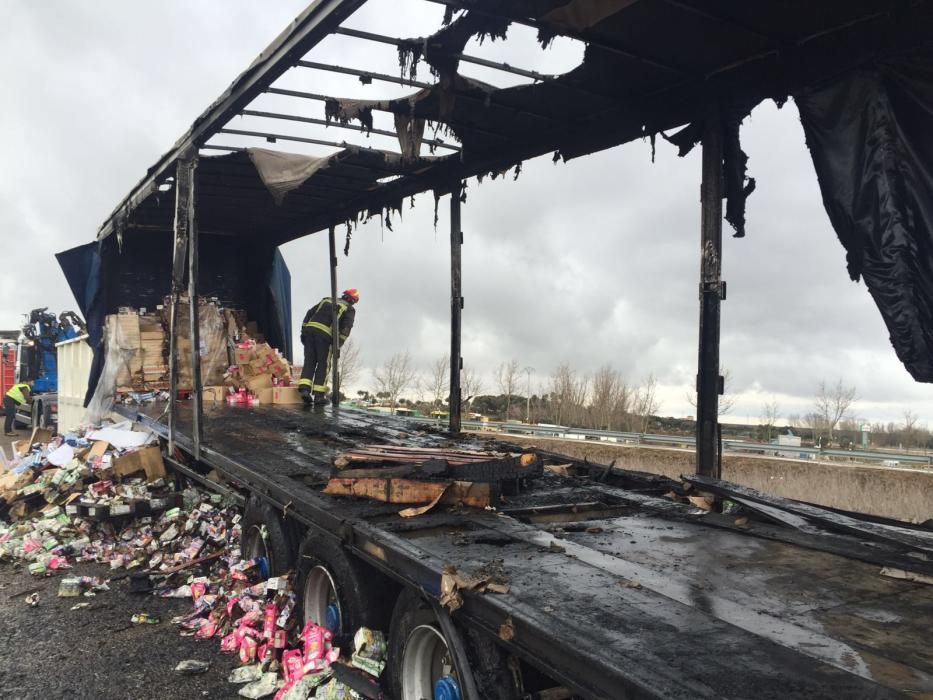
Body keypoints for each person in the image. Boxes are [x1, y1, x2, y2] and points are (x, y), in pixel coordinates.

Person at [298, 288, 358, 405]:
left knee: (309, 361)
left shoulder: (326, 300)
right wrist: (338, 343)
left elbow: (309, 313)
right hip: (324, 336)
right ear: (353, 301)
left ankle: (305, 390)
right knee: (323, 364)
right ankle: (319, 396)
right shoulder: (349, 309)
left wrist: (304, 331)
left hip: (309, 332)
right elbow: (346, 327)